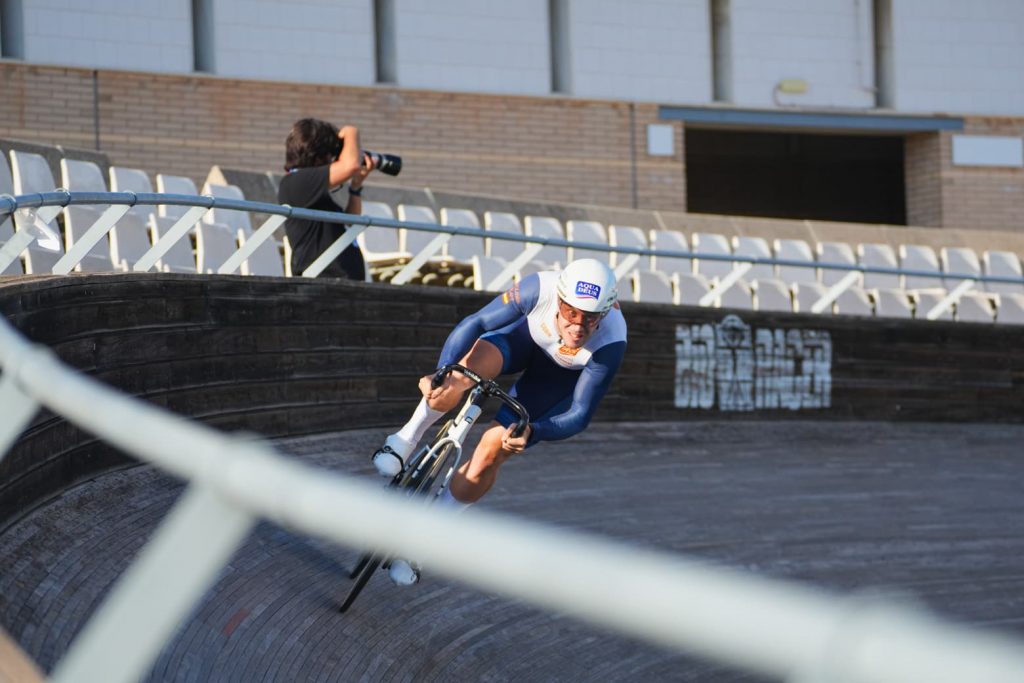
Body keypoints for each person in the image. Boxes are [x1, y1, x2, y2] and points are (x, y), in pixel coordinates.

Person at [372, 258, 627, 585]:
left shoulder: (611, 343)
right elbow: (476, 323)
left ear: (606, 313)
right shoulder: (539, 288)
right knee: (456, 380)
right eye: (571, 313)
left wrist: (535, 431)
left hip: (553, 381)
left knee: (493, 447)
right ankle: (404, 440)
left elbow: (580, 414)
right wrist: (443, 370)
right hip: (520, 341)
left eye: (590, 319)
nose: (578, 327)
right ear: (559, 298)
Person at [277, 118, 376, 280]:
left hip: (338, 283)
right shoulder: (296, 182)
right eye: (330, 155)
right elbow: (351, 165)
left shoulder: (309, 188)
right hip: (321, 282)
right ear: (317, 156)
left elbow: (351, 222)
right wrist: (350, 130)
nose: (332, 160)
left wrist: (355, 188)